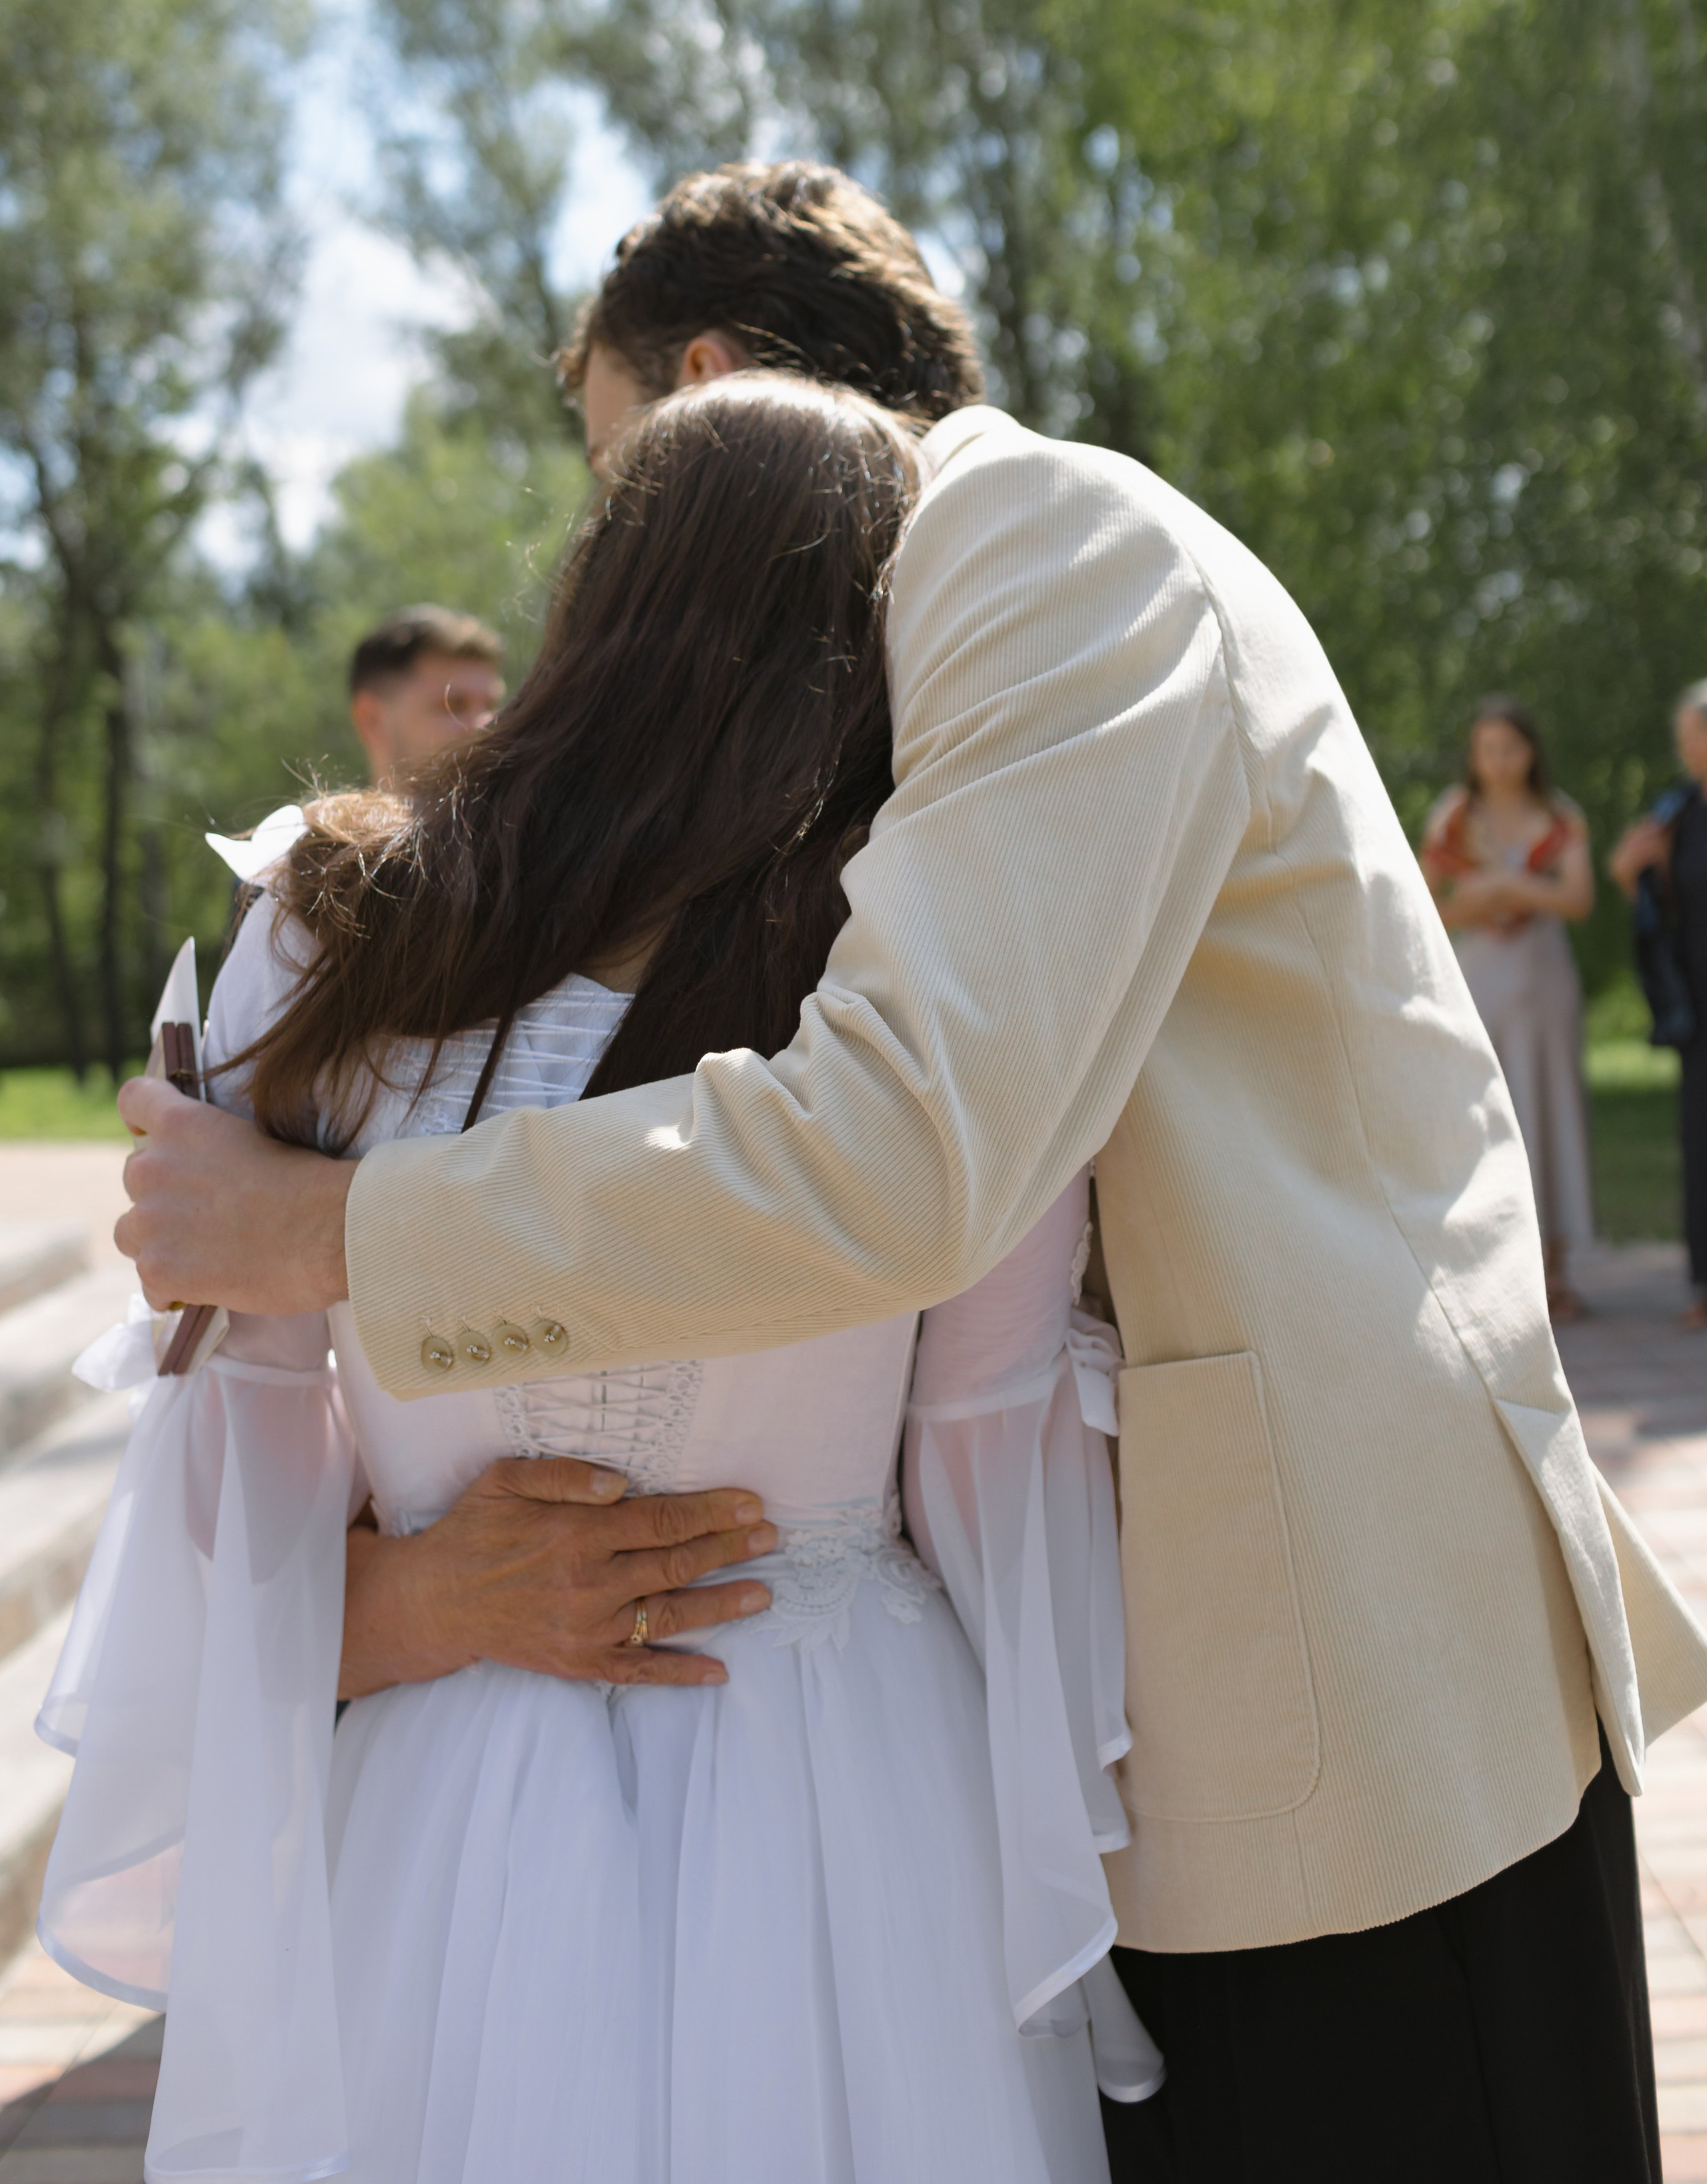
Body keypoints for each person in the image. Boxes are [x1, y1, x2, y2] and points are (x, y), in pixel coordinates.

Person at [114, 161, 1707, 2184]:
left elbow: (902, 1142)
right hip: (1107, 1715)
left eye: (601, 458)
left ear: (696, 387)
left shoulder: (1030, 534)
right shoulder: (858, 685)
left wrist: (336, 1232)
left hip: (1315, 1697)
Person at [43, 377, 1152, 2183]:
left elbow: (222, 1509)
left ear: (597, 600)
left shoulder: (325, 938)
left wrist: (415, 1608)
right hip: (845, 1791)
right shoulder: (930, 979)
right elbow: (987, 1456)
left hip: (444, 1796)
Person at [1420, 697, 1596, 1322]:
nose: (1497, 760)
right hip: (1480, 979)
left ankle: (1555, 1270)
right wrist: (1489, 899)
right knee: (1482, 1117)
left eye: (1510, 747)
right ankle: (1489, 1271)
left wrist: (1505, 886)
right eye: (1486, 747)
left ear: (1530, 752)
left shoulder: (1559, 816)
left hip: (1544, 981)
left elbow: (1577, 898)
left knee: (1548, 1112)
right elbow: (1425, 901)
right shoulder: (1455, 818)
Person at [1612, 681, 1707, 1327]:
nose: (1691, 750)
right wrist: (1628, 872)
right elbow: (1652, 903)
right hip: (1696, 1001)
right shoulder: (1677, 814)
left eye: (1697, 735)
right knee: (1699, 1138)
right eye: (1685, 740)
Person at [347, 605, 505, 785]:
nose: (485, 727)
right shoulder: (318, 814)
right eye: (454, 706)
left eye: (491, 706)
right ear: (372, 720)